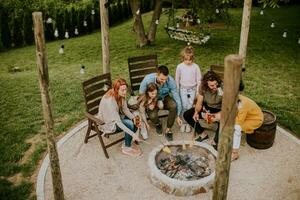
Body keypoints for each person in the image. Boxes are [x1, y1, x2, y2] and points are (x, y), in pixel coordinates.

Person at [98, 78, 142, 157]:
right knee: (130, 124)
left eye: (125, 89)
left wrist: (135, 119)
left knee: (136, 119)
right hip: (108, 123)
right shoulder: (110, 101)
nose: (125, 92)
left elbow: (125, 110)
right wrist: (133, 134)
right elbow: (118, 122)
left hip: (117, 117)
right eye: (122, 90)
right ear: (116, 89)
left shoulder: (120, 95)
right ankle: (126, 148)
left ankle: (126, 142)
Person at [139, 65, 182, 141]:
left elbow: (176, 97)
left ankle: (168, 129)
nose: (164, 81)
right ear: (157, 75)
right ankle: (158, 123)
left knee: (173, 105)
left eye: (166, 79)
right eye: (162, 79)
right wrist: (148, 104)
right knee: (152, 116)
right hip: (152, 99)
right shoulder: (148, 79)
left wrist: (178, 115)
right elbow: (141, 94)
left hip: (165, 97)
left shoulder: (171, 81)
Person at [183, 70, 223, 146]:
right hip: (208, 108)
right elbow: (199, 102)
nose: (215, 86)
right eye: (212, 85)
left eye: (215, 84)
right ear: (206, 84)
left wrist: (214, 116)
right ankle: (202, 134)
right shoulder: (203, 87)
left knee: (224, 121)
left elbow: (226, 108)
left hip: (220, 109)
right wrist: (196, 112)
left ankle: (215, 142)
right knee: (187, 114)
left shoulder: (222, 87)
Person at [232, 85, 264, 161]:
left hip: (255, 119)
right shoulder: (235, 98)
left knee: (237, 128)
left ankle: (235, 153)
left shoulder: (242, 104)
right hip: (247, 116)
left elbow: (238, 122)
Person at [175, 45, 202, 133]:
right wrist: (177, 91)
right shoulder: (179, 67)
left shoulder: (196, 67)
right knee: (183, 106)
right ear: (183, 58)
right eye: (186, 59)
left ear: (193, 59)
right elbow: (177, 79)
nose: (188, 62)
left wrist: (198, 91)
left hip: (193, 89)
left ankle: (188, 123)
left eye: (190, 60)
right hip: (183, 89)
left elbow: (199, 80)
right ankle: (183, 123)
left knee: (190, 106)